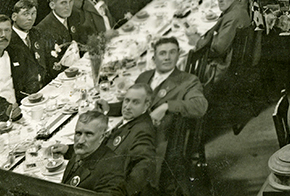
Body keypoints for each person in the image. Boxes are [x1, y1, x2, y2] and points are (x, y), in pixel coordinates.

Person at [135, 37, 207, 195]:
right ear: (154, 58)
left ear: (179, 55)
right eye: (162, 53)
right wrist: (108, 107)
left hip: (162, 144)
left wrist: (167, 106)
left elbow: (200, 106)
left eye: (172, 52)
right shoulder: (144, 77)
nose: (167, 57)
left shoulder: (188, 81)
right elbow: (132, 103)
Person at [104, 83, 159, 196]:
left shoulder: (143, 131)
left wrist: (121, 193)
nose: (128, 106)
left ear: (146, 106)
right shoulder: (133, 120)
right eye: (127, 100)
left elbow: (145, 165)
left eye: (135, 102)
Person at [60, 110, 129, 195]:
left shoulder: (112, 169)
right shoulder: (83, 150)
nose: (81, 141)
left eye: (88, 134)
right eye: (78, 133)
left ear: (102, 137)